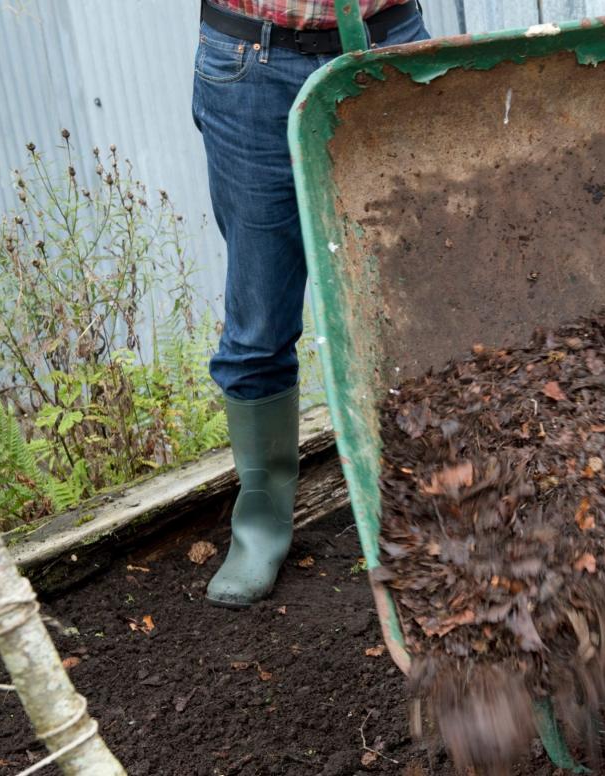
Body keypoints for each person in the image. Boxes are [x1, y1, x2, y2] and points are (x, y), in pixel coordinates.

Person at [191, 0, 430, 607]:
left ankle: (431, 504)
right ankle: (261, 527)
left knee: (415, 307)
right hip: (252, 62)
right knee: (259, 319)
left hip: (384, 45)